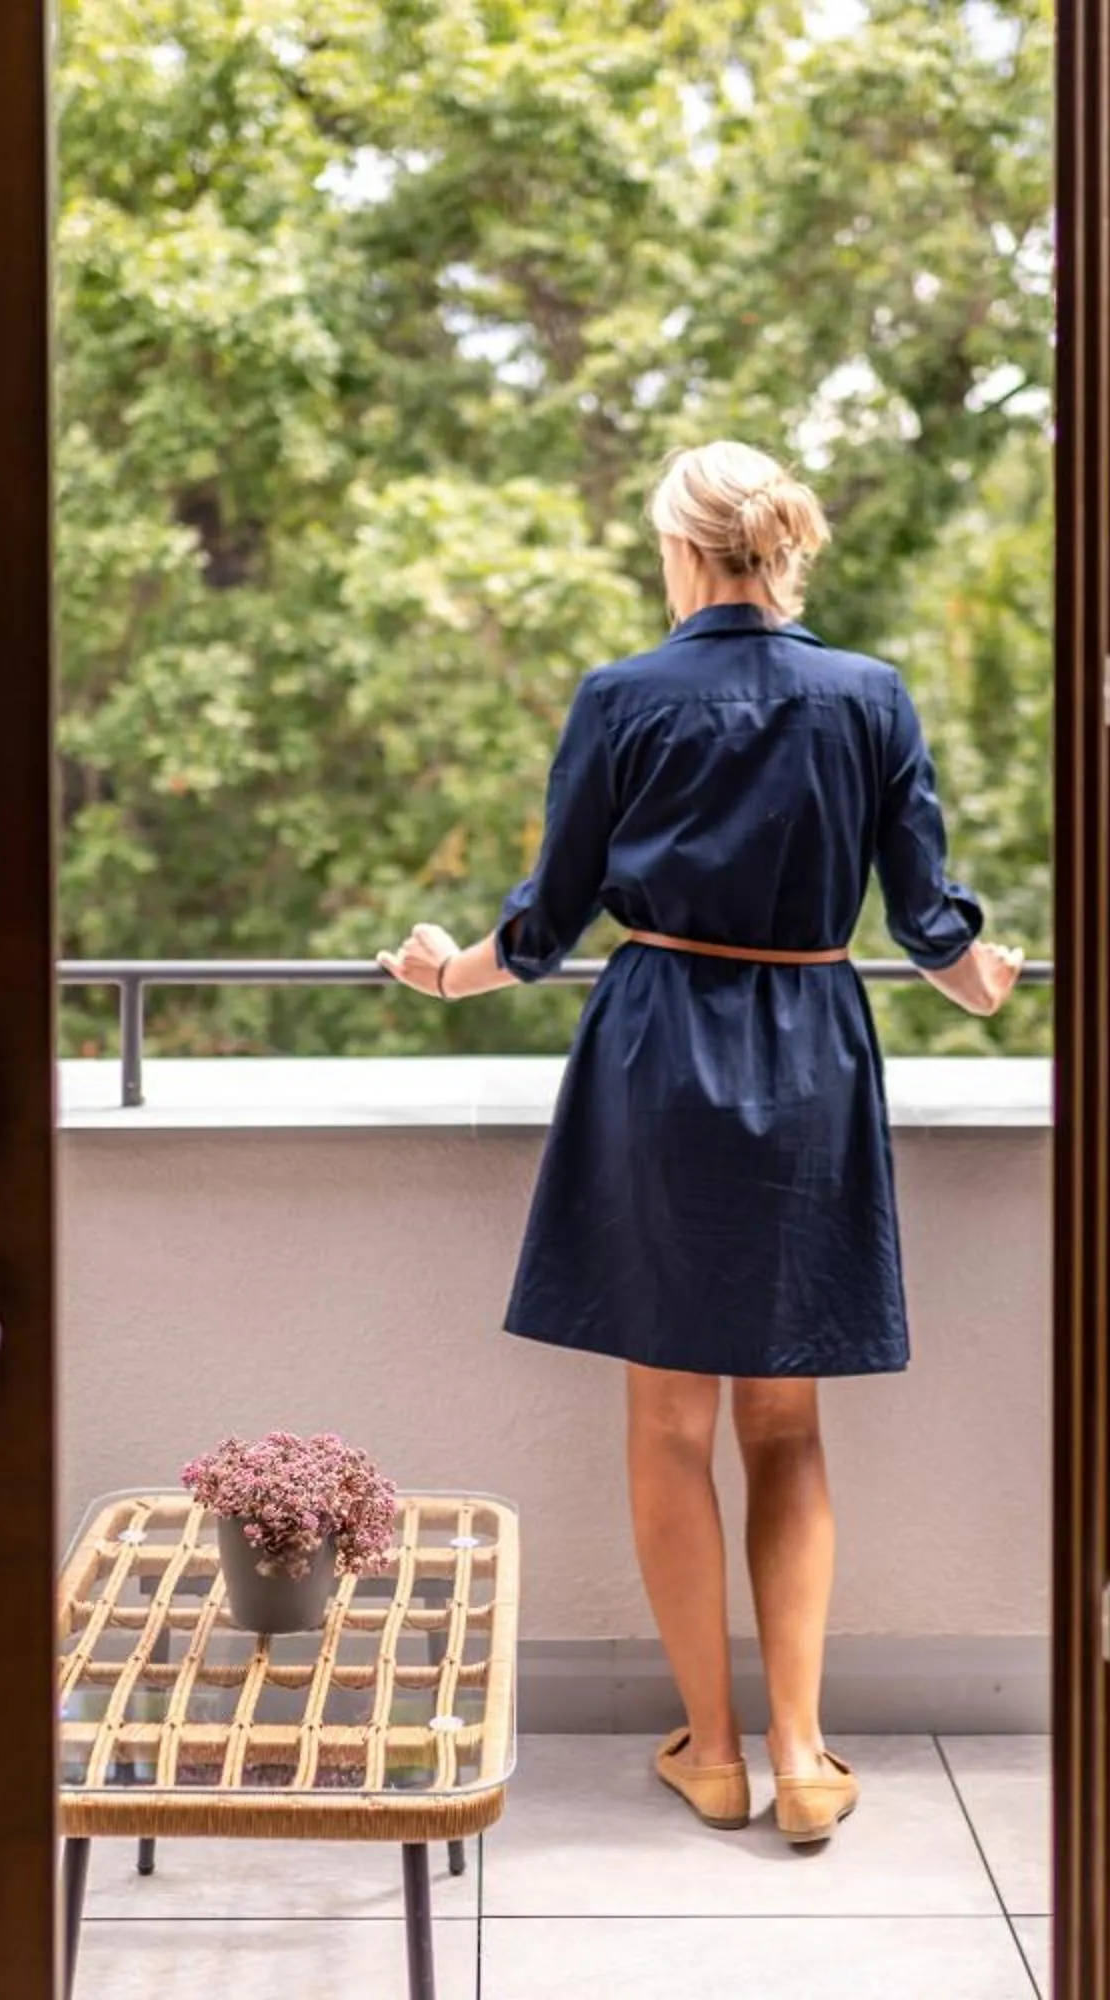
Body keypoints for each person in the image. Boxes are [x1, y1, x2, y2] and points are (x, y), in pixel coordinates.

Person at [378, 440, 1023, 1846]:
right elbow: (930, 921)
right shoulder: (871, 696)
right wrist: (985, 982)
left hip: (661, 1048)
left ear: (681, 552)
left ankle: (712, 1752)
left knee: (669, 1421)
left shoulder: (623, 697)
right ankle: (804, 1754)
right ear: (780, 550)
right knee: (785, 1418)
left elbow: (546, 924)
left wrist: (441, 974)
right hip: (809, 1048)